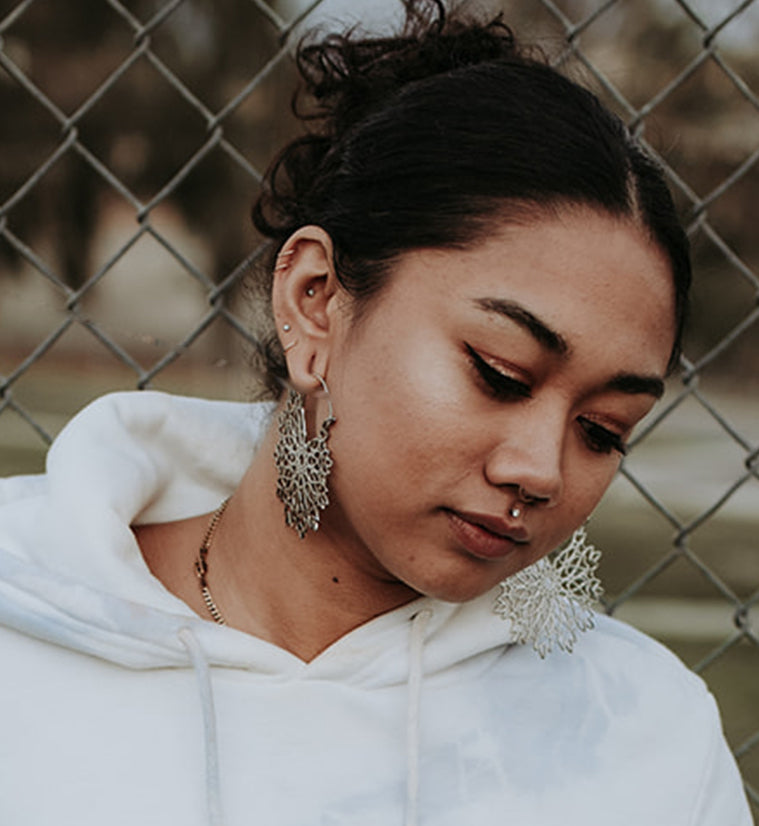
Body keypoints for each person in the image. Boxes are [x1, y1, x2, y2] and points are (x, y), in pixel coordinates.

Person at [0, 1, 752, 824]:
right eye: (500, 373)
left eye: (604, 431)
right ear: (315, 301)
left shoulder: (645, 737)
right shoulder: (28, 635)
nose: (539, 470)